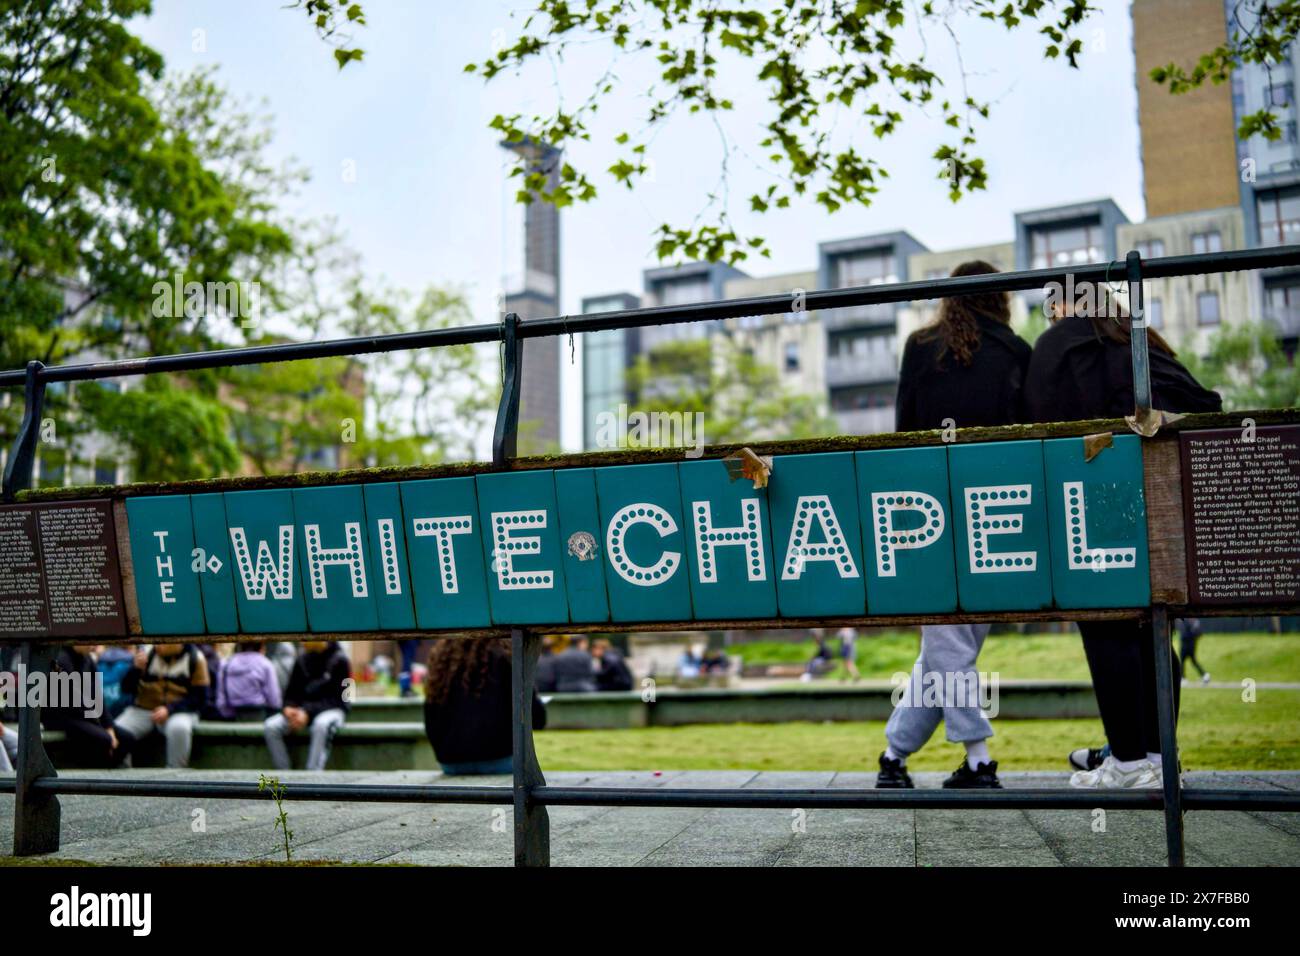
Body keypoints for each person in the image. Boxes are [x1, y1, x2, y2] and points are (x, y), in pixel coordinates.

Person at [1026, 291, 1221, 789]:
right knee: (1155, 627)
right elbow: (1206, 406)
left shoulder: (1059, 346)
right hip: (1161, 507)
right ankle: (1158, 758)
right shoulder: (1143, 345)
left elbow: (1036, 423)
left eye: (1055, 305)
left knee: (1106, 625)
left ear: (1070, 305)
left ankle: (1128, 763)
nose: (1052, 316)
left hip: (1093, 501)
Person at [878, 261, 1031, 791]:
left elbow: (903, 432)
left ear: (949, 299)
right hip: (995, 511)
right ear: (1000, 300)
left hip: (929, 508)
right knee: (952, 644)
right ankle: (964, 756)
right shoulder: (1016, 352)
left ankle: (922, 758)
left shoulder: (921, 348)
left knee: (947, 644)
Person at [423, 637, 547, 774]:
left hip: (451, 762)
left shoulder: (442, 661)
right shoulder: (505, 657)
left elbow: (430, 717)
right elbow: (537, 719)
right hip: (499, 757)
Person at [114, 643, 210, 768]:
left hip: (179, 712)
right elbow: (126, 688)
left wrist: (170, 709)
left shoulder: (196, 658)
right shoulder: (147, 654)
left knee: (179, 728)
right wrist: (135, 669)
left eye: (162, 641)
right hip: (143, 709)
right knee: (118, 730)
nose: (157, 645)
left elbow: (199, 698)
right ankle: (122, 774)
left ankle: (176, 773)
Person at [263, 641, 351, 771]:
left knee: (321, 725)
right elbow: (291, 693)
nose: (302, 641)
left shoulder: (342, 660)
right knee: (271, 726)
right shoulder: (302, 659)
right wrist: (288, 707)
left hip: (332, 711)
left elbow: (345, 701)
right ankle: (284, 774)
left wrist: (308, 713)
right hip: (302, 712)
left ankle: (312, 775)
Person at [217, 643, 283, 721]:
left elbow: (221, 699)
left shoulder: (226, 664)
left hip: (232, 716)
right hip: (259, 715)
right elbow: (274, 700)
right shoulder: (265, 664)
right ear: (262, 647)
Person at [1178, 618, 1210, 685]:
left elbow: (1184, 635)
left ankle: (1183, 678)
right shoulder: (1194, 622)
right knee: (1192, 662)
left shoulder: (1188, 622)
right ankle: (1204, 675)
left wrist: (1191, 634)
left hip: (1186, 646)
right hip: (1191, 645)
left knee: (1183, 662)